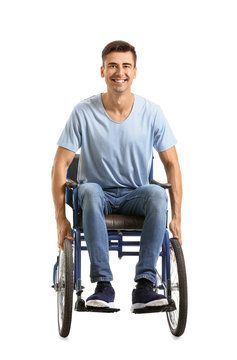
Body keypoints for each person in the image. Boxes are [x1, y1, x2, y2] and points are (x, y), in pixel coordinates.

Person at [51, 40, 182, 311]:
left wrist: (178, 217)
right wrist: (60, 219)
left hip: (136, 194)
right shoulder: (83, 112)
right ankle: (102, 284)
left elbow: (172, 164)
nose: (119, 72)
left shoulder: (152, 112)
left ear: (135, 72)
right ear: (102, 71)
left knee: (157, 193)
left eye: (125, 66)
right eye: (112, 65)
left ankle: (146, 284)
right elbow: (59, 166)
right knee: (88, 190)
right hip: (96, 196)